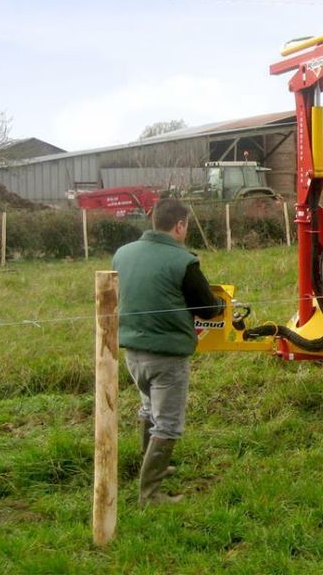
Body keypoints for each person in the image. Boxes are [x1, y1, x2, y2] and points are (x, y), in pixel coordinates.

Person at [112, 198, 224, 506]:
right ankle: (150, 493)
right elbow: (206, 307)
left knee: (148, 409)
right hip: (168, 355)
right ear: (180, 225)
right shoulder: (183, 261)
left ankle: (151, 465)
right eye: (186, 226)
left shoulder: (122, 254)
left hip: (133, 351)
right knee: (169, 423)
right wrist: (223, 306)